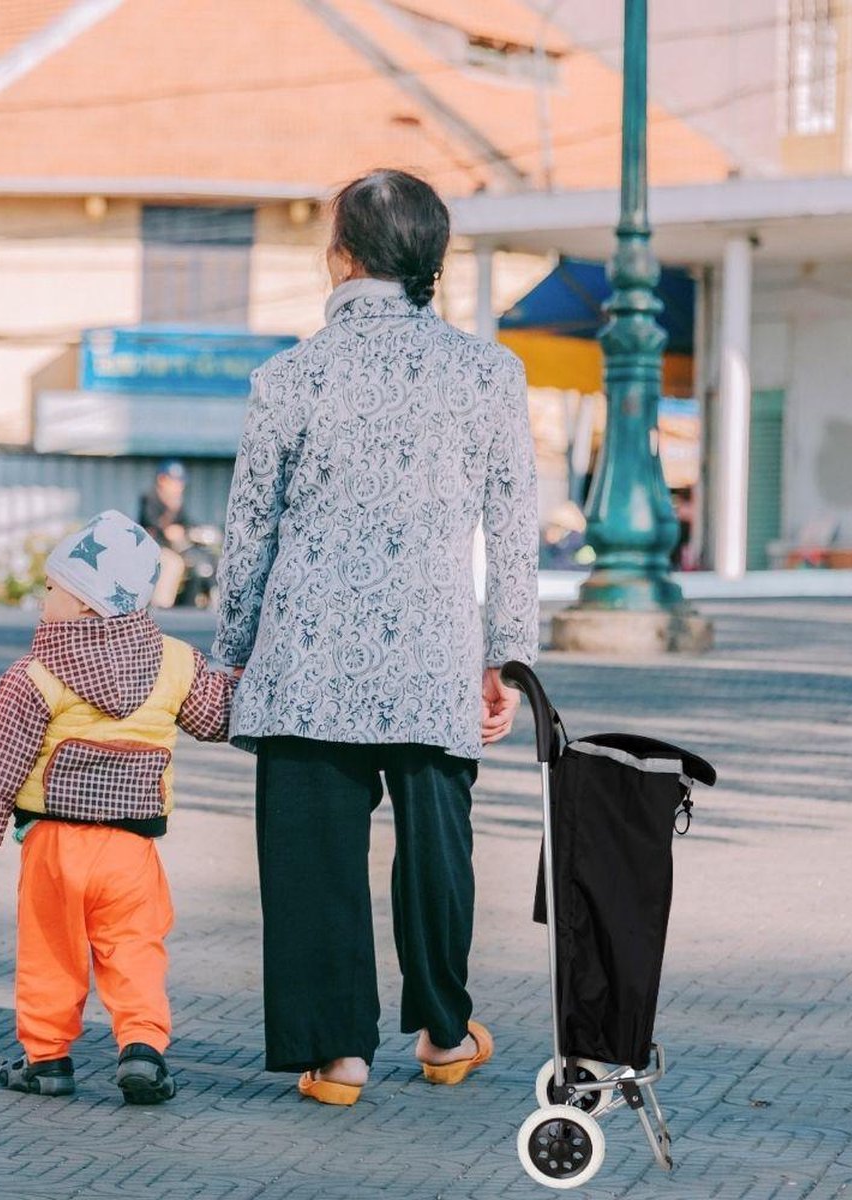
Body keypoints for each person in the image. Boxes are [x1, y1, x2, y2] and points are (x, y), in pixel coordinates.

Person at [213, 168, 539, 1107]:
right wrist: (503, 658)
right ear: (429, 261)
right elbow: (514, 529)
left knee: (313, 856)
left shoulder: (288, 377)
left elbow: (250, 536)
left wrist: (232, 658)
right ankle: (443, 1033)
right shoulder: (489, 374)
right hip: (433, 655)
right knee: (438, 848)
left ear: (344, 257)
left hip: (305, 659)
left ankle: (337, 1058)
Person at [0, 509, 235, 1104]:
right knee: (135, 946)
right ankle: (143, 1049)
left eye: (52, 589)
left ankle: (47, 1058)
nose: (42, 599)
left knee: (50, 949)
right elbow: (214, 719)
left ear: (85, 603)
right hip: (132, 849)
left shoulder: (34, 675)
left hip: (54, 846)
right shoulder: (176, 663)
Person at [139, 460, 191, 607]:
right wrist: (168, 528)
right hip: (152, 546)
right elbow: (150, 521)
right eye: (174, 481)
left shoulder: (176, 502)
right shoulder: (150, 498)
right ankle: (161, 607)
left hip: (173, 547)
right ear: (162, 479)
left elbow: (187, 523)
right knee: (172, 563)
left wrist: (183, 531)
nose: (179, 486)